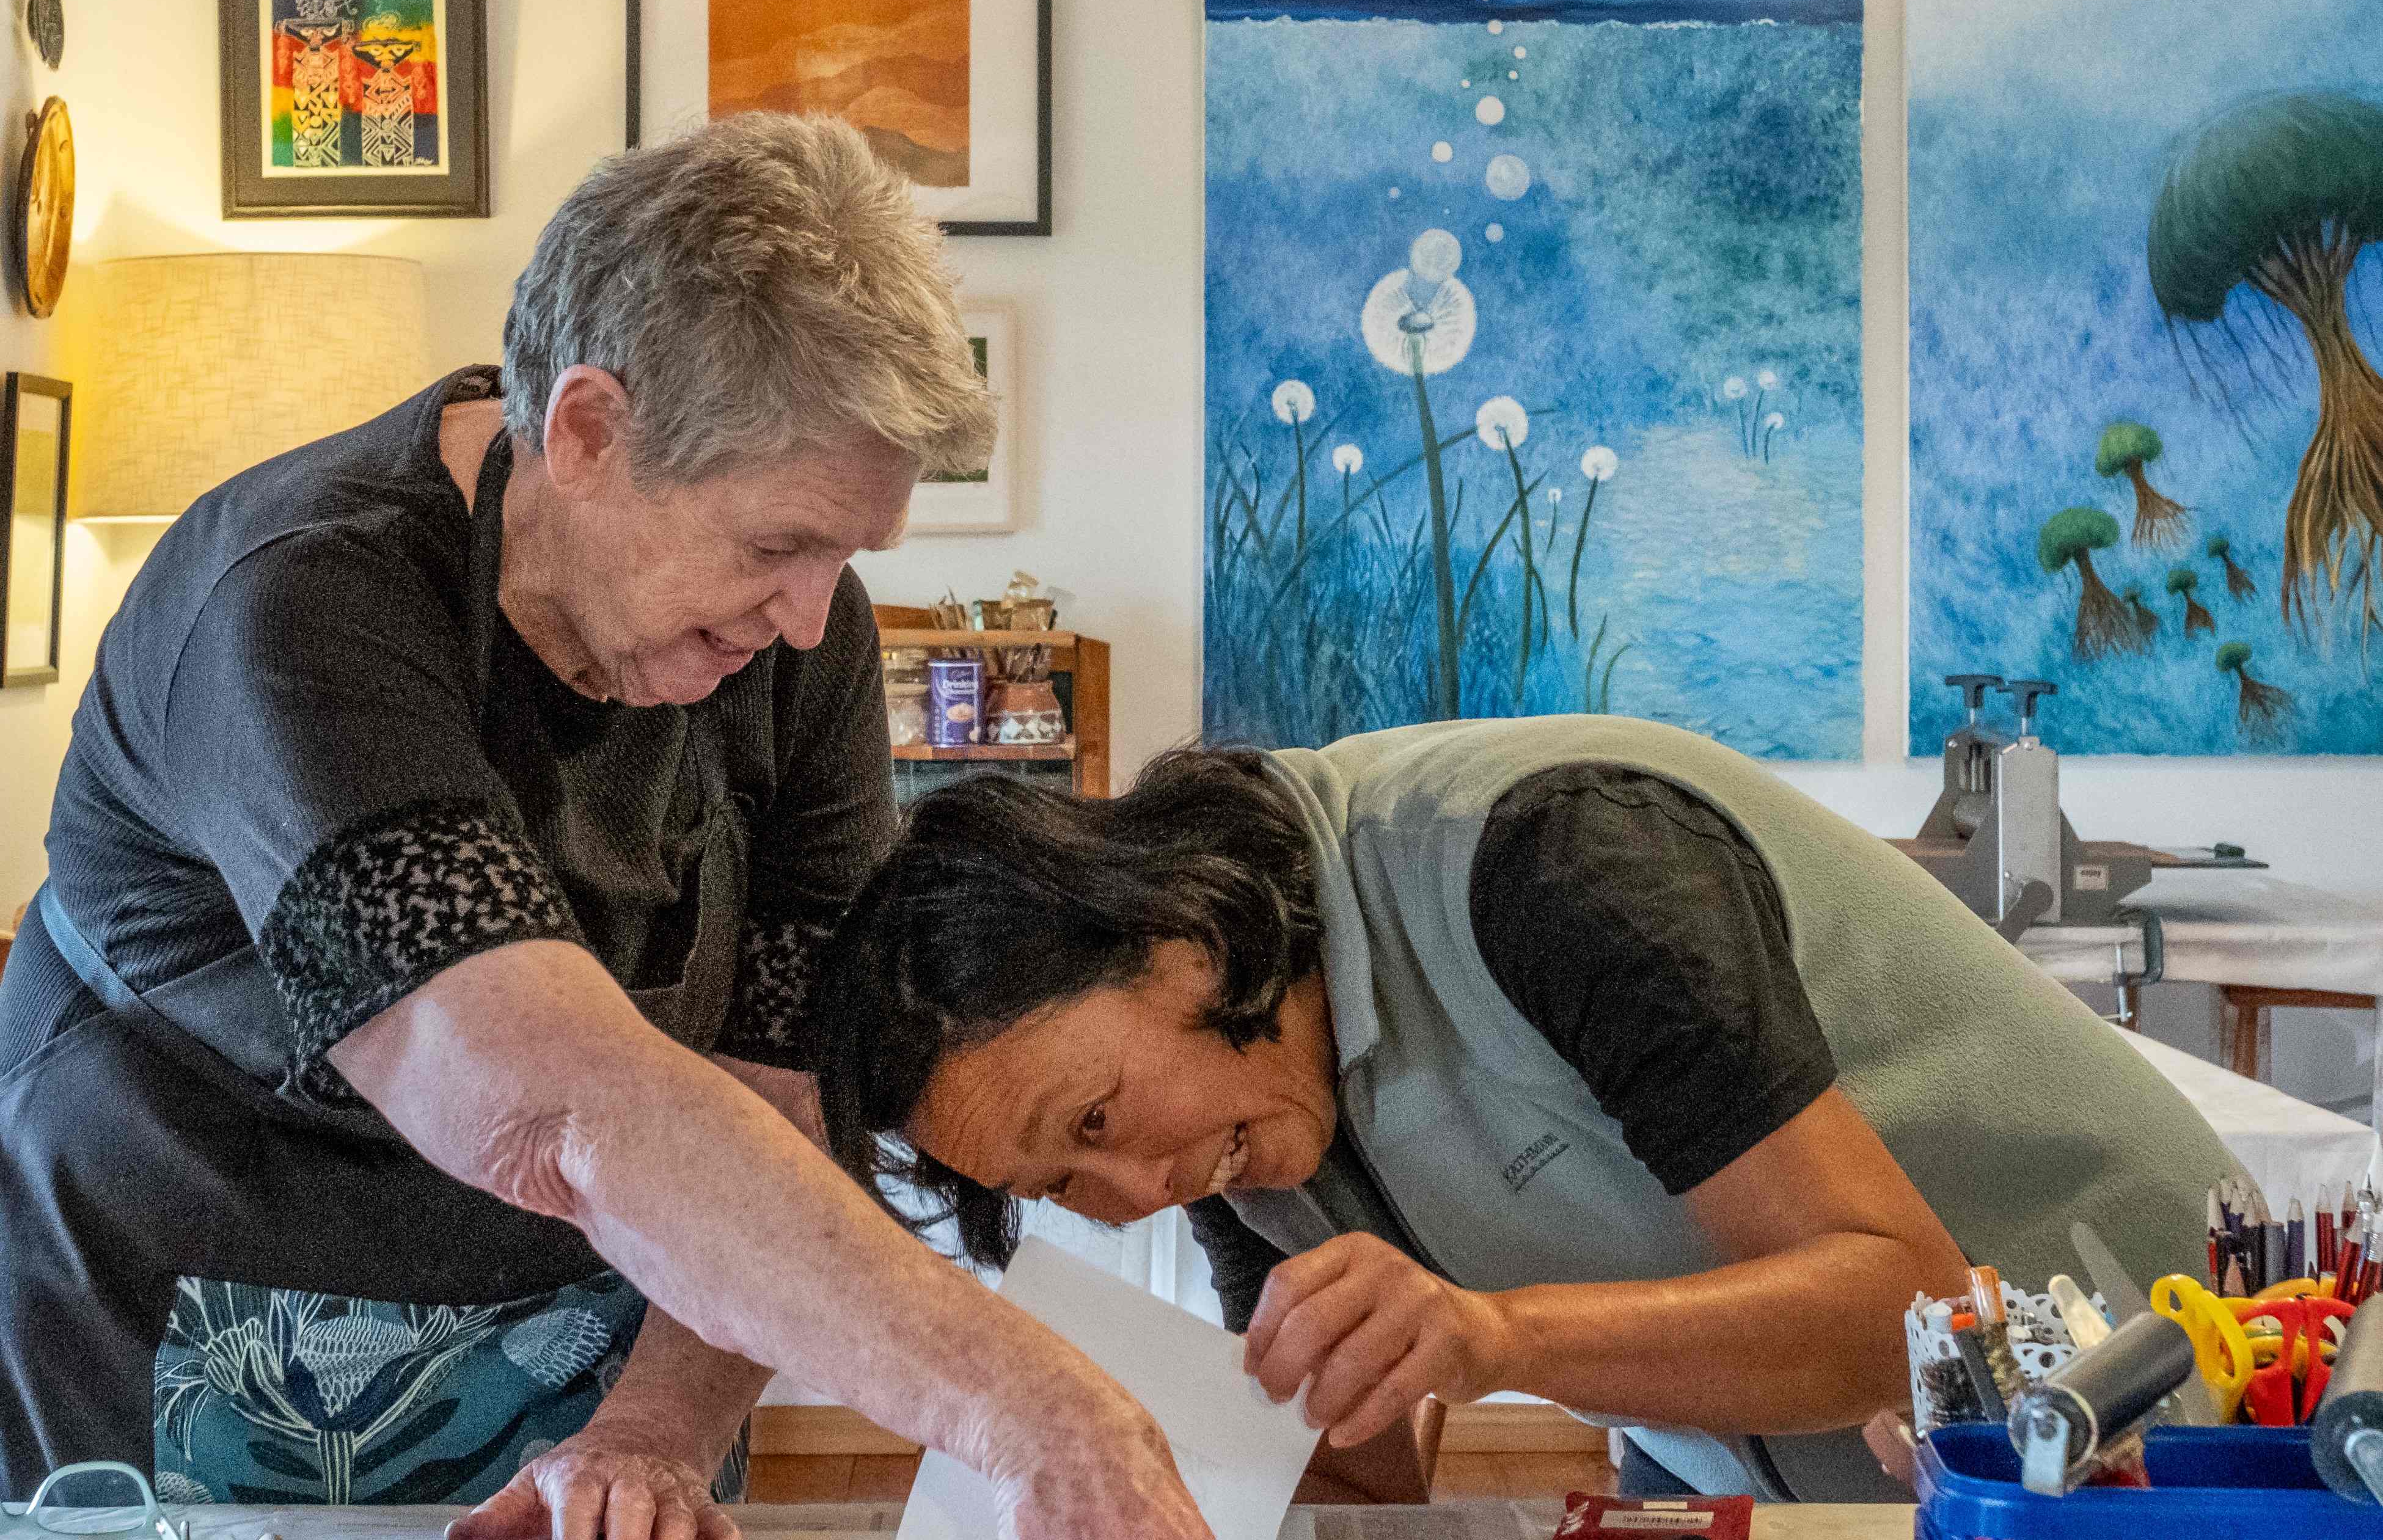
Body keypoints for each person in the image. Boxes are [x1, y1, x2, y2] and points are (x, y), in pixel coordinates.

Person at [0, 114, 1210, 1540]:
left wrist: (654, 1431)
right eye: (776, 545)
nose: (813, 616)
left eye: (844, 556)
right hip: (200, 1342)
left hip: (607, 1349)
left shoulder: (798, 646)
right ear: (584, 430)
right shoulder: (300, 605)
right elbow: (551, 1104)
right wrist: (1034, 1407)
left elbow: (788, 1096)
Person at [814, 715, 2244, 1502]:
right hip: (1885, 1493)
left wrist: (1490, 1334)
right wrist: (1140, 1438)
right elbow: (1371, 1463)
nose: (1131, 1195)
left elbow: (1905, 1314)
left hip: (2195, 1414)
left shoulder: (1551, 860)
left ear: (1169, 932)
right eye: (1065, 1190)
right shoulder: (1239, 1131)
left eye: (1095, 1122)